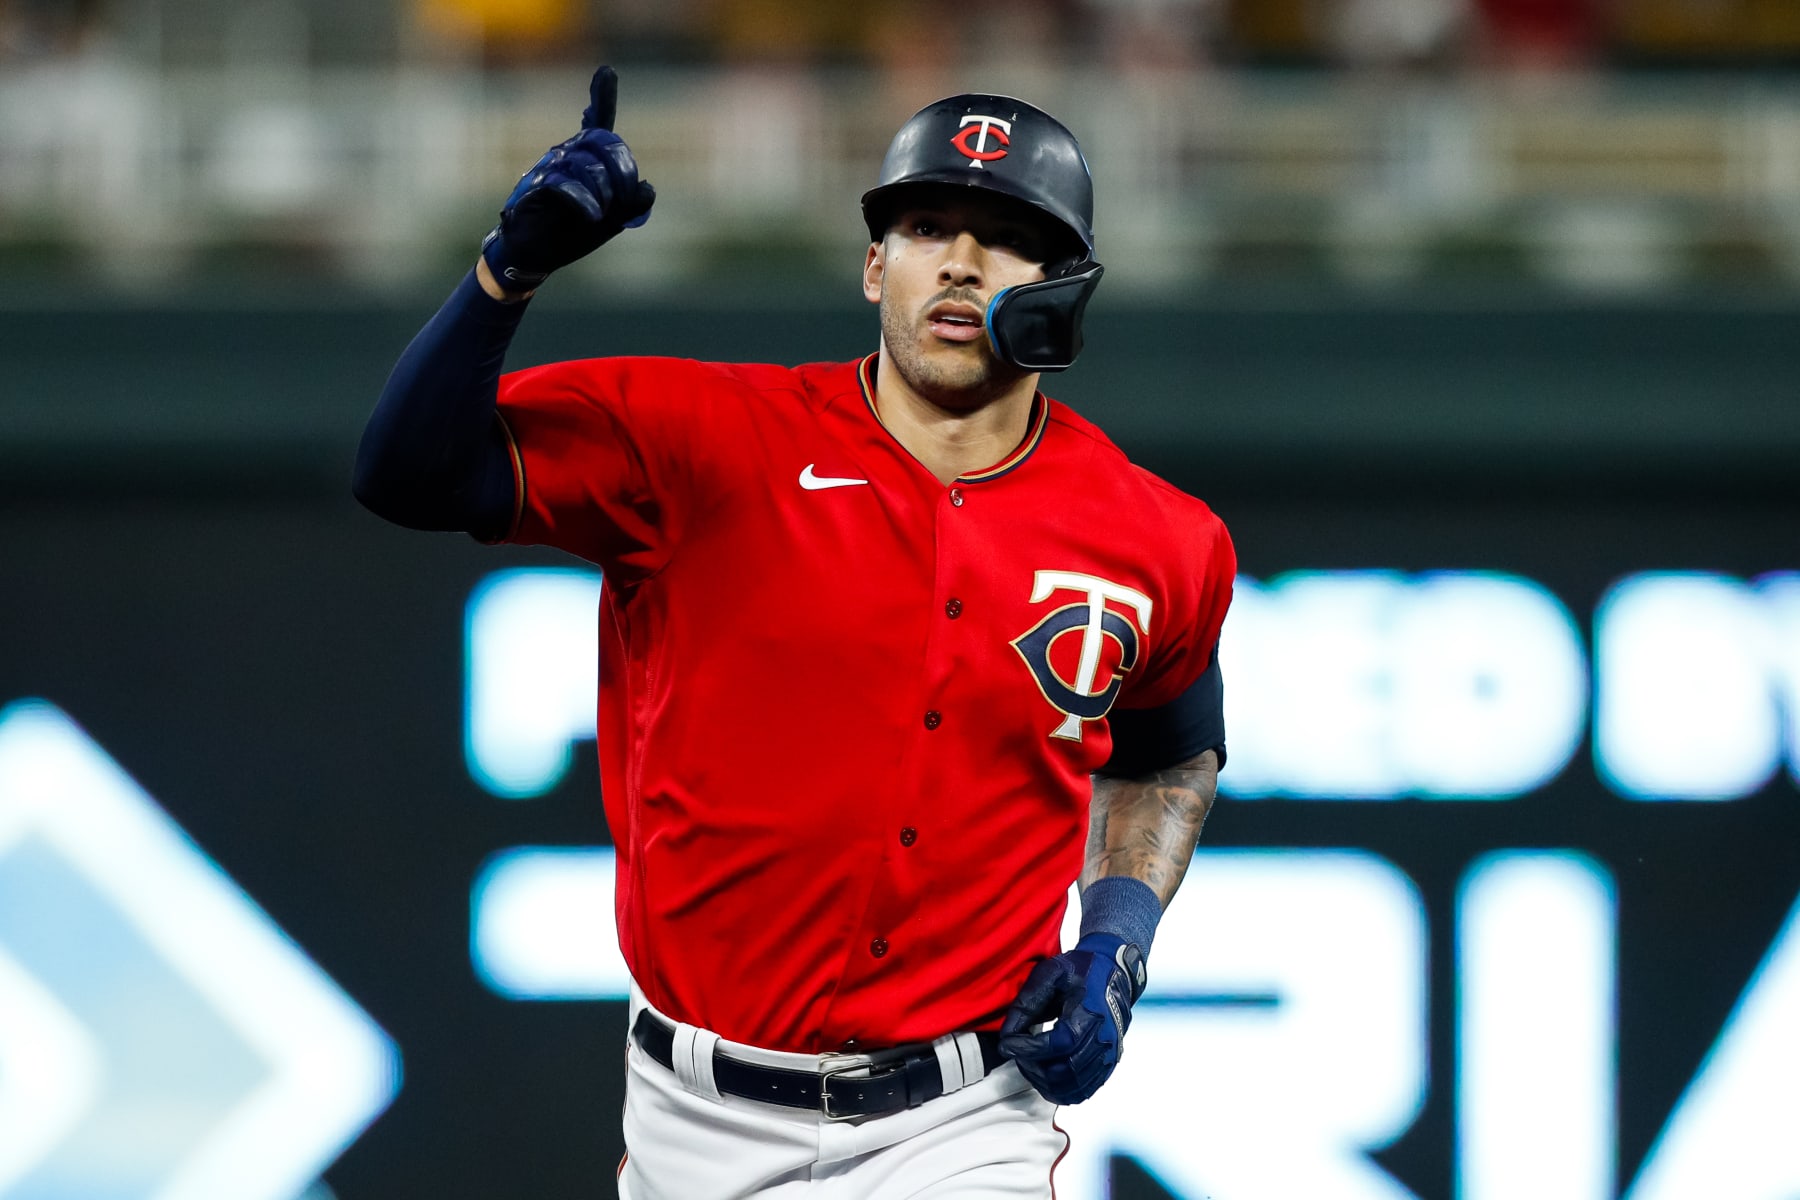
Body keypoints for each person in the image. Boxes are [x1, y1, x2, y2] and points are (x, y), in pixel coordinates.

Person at [354, 66, 1235, 1199]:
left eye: (1008, 236)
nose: (960, 261)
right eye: (927, 226)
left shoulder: (1157, 535)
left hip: (964, 1118)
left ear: (1067, 287)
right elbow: (407, 473)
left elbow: (1170, 753)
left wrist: (1116, 939)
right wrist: (503, 273)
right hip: (696, 1114)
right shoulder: (709, 441)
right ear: (877, 268)